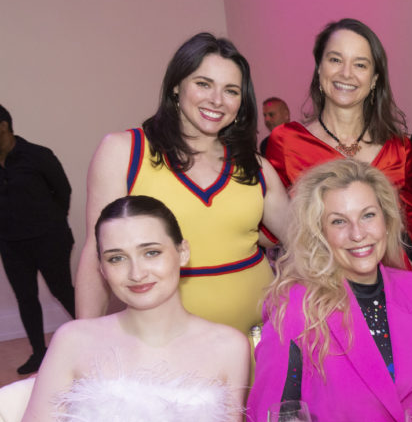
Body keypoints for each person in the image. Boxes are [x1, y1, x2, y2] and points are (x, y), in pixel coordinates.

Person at [4, 195, 248, 422]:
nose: (136, 273)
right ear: (102, 268)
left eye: (151, 252)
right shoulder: (73, 340)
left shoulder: (229, 347)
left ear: (182, 252)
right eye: (117, 258)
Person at [75, 33, 290, 335]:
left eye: (231, 91)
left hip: (258, 337)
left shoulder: (256, 168)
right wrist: (85, 339)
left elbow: (305, 243)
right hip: (167, 344)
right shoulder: (124, 152)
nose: (217, 100)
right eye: (203, 84)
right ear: (176, 86)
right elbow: (95, 252)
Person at [247, 159, 412, 422]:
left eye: (368, 216)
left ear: (386, 221)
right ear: (319, 233)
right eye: (339, 221)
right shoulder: (295, 310)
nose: (358, 234)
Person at [265, 18, 412, 250]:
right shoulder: (285, 142)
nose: (346, 73)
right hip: (320, 280)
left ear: (374, 80)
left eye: (360, 65)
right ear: (319, 68)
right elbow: (268, 233)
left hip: (388, 278)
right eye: (335, 60)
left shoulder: (399, 148)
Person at [0, 104, 76, 374]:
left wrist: (51, 223)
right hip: (10, 244)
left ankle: (98, 338)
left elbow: (63, 191)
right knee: (26, 298)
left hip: (49, 239)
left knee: (62, 291)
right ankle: (39, 353)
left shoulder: (37, 155)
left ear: (4, 127)